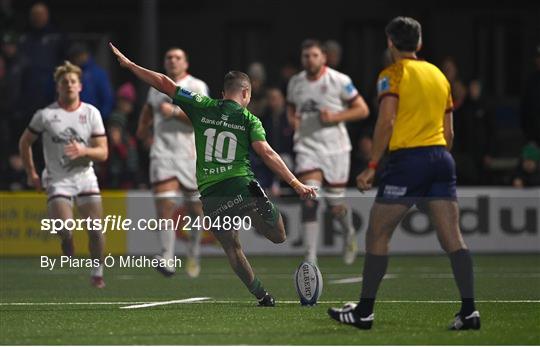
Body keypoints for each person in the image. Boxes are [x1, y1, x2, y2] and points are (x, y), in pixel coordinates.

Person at [110, 42, 317, 306]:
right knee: (279, 236)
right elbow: (267, 153)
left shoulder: (202, 105)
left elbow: (163, 82)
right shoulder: (248, 119)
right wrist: (296, 182)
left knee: (232, 248)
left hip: (211, 194)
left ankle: (262, 295)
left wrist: (129, 66)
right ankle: (262, 203)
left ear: (222, 93)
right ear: (246, 93)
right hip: (240, 184)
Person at [327, 17, 480, 330]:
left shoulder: (392, 74)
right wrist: (437, 162)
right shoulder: (439, 75)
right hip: (440, 156)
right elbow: (449, 131)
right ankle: (469, 312)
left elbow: (386, 122)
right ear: (419, 43)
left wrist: (372, 166)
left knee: (377, 233)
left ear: (390, 42)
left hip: (409, 160)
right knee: (453, 238)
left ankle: (364, 312)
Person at [18, 61, 108, 288]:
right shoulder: (46, 115)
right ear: (57, 86)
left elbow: (103, 152)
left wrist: (84, 150)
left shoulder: (91, 113)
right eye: (64, 81)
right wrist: (31, 173)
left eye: (73, 81)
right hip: (58, 179)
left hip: (85, 176)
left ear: (80, 87)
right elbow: (25, 142)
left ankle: (97, 272)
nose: (69, 84)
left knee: (96, 229)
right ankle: (67, 241)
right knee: (65, 228)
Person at [286, 39, 369, 265]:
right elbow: (291, 106)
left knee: (335, 205)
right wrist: (292, 119)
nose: (309, 59)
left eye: (314, 55)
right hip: (307, 147)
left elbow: (362, 109)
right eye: (306, 56)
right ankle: (310, 258)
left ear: (323, 57)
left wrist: (336, 117)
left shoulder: (339, 80)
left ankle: (349, 231)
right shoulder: (295, 82)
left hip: (336, 149)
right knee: (309, 198)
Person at [137, 47, 209, 278]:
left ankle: (193, 250)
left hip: (189, 154)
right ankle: (167, 256)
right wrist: (142, 129)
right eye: (169, 57)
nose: (172, 61)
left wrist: (175, 112)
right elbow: (148, 109)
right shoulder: (157, 86)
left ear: (186, 63)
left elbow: (204, 119)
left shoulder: (196, 86)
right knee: (164, 204)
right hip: (163, 153)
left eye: (178, 57)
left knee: (195, 209)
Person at [68, 42, 114, 119]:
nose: (76, 59)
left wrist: (99, 118)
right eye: (74, 56)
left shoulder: (98, 74)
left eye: (78, 55)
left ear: (86, 55)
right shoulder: (71, 73)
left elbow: (107, 99)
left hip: (92, 118)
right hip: (73, 117)